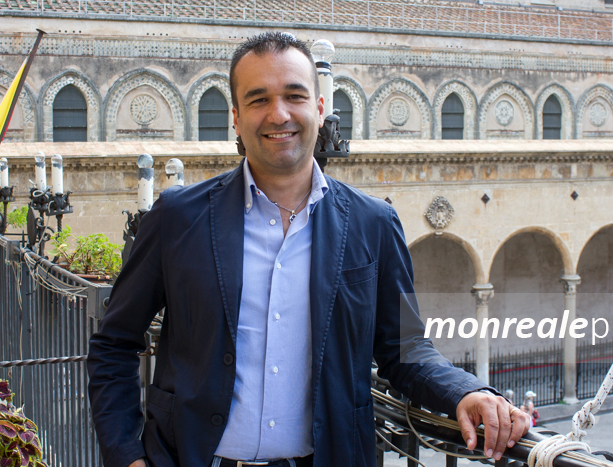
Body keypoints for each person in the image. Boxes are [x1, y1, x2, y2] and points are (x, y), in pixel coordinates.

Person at [87, 32, 529, 467]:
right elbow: (114, 343)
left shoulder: (374, 224)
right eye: (258, 100)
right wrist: (128, 457)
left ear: (319, 109)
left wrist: (466, 392)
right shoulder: (177, 217)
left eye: (294, 96)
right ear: (236, 118)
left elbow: (406, 348)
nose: (278, 114)